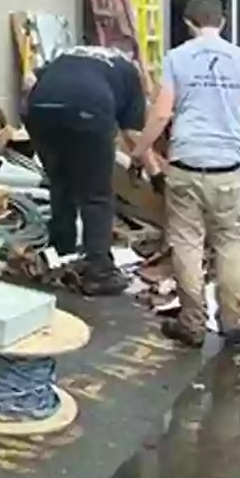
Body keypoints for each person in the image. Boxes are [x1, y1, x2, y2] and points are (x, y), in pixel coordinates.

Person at [132, 0, 240, 348]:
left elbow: (161, 113)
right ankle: (231, 323)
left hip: (185, 165)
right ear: (223, 21)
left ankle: (193, 324)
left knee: (187, 244)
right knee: (231, 244)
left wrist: (141, 151)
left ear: (188, 23)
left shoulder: (176, 58)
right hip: (228, 168)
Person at [25, 47, 157, 296]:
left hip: (39, 108)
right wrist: (156, 174)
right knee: (95, 194)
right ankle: (99, 272)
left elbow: (29, 80)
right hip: (88, 110)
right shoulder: (130, 74)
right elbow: (133, 135)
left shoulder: (73, 55)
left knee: (60, 184)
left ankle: (60, 256)